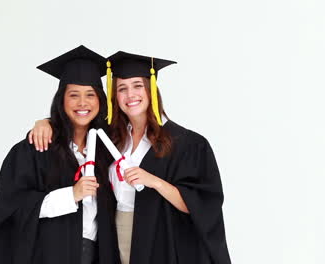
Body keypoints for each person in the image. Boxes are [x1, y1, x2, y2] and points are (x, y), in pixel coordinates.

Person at [29, 51, 231, 264]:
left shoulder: (187, 143)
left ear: (151, 89)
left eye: (137, 85)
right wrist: (45, 122)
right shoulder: (110, 139)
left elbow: (203, 205)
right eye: (122, 89)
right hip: (114, 239)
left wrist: (154, 181)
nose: (130, 95)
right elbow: (77, 121)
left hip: (162, 240)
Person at [0, 45, 120, 264]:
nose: (82, 103)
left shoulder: (109, 149)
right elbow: (13, 208)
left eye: (90, 95)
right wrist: (71, 195)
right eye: (73, 95)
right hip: (48, 255)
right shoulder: (36, 148)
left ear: (100, 101)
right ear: (62, 100)